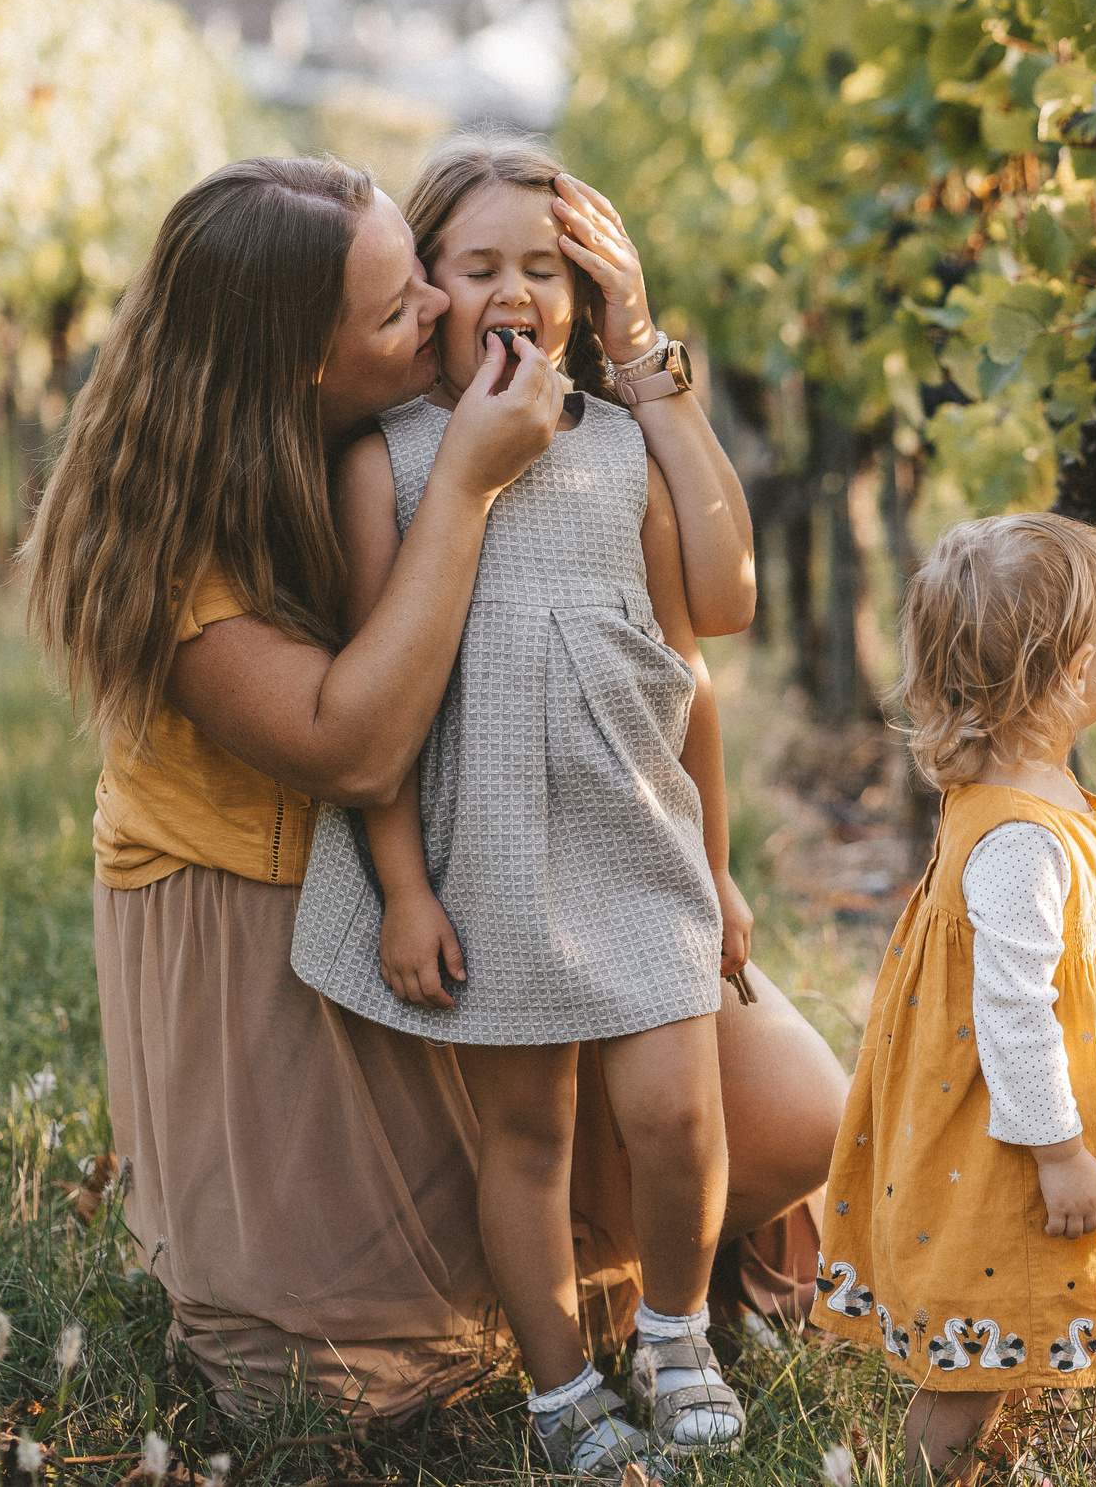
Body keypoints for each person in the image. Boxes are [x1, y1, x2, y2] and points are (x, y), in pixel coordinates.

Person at [22, 153, 847, 1423]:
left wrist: (642, 363)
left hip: (551, 842)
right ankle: (560, 1349)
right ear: (301, 359)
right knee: (333, 1378)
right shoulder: (211, 530)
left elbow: (702, 634)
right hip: (292, 911)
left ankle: (645, 1305)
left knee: (789, 1116)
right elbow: (357, 754)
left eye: (423, 270)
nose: (445, 308)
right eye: (406, 300)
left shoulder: (565, 440)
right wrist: (465, 479)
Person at [295, 135, 754, 1474]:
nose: (514, 288)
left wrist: (717, 870)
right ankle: (562, 1388)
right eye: (478, 261)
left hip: (637, 833)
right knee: (530, 1128)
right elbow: (381, 715)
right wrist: (406, 886)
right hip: (483, 848)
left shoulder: (619, 446)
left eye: (545, 266)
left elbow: (697, 669)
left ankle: (675, 1326)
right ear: (430, 285)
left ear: (589, 289)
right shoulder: (387, 462)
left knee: (679, 1109)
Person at [810, 514, 1096, 1484]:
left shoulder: (1046, 797)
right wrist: (1060, 1153)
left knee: (1018, 1328)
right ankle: (925, 1476)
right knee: (976, 1361)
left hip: (1030, 1125)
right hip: (1007, 1141)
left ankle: (982, 1466)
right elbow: (1014, 1007)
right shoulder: (1018, 836)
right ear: (1069, 670)